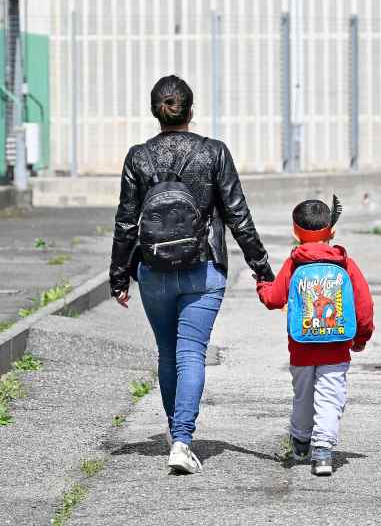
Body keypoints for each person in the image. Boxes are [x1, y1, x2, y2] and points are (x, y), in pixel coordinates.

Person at [109, 75, 275, 475]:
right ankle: (182, 440)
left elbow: (126, 223)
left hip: (153, 270)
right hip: (204, 269)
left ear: (155, 111)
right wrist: (262, 269)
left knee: (169, 353)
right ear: (191, 110)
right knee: (190, 352)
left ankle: (174, 433)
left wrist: (118, 276)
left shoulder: (138, 157)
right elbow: (238, 215)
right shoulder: (214, 152)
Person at [255, 197, 375, 477]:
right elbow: (364, 306)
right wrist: (361, 338)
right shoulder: (345, 264)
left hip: (301, 348)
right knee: (331, 397)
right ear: (331, 232)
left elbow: (274, 299)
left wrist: (262, 284)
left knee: (303, 396)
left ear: (295, 231)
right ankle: (322, 452)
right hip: (335, 348)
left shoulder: (294, 264)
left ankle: (299, 442)